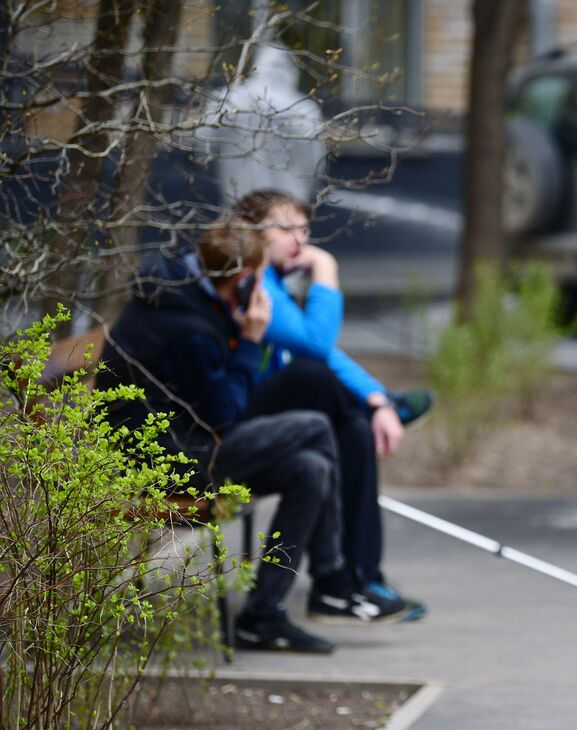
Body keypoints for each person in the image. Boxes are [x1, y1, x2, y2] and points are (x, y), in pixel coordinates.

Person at [96, 222, 377, 652]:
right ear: (244, 278)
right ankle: (333, 577)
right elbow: (223, 414)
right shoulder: (189, 329)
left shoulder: (184, 291)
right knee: (317, 427)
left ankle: (263, 615)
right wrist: (250, 339)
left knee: (311, 467)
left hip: (184, 442)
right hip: (165, 464)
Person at [229, 189, 432, 621]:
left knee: (355, 427)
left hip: (271, 415)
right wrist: (326, 268)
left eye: (305, 230)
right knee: (313, 379)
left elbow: (323, 353)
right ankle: (350, 581)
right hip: (232, 423)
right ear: (249, 232)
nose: (300, 241)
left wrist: (375, 399)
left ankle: (356, 579)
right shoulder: (250, 283)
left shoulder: (274, 284)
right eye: (286, 229)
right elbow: (316, 346)